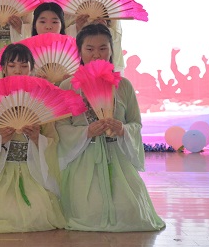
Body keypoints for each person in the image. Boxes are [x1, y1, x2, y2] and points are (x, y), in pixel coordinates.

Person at [56, 24, 165, 232]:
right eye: (89, 49)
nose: (96, 54)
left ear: (111, 50)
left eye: (103, 48)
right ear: (79, 52)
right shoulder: (68, 86)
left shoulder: (123, 85)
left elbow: (135, 123)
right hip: (84, 160)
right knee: (90, 213)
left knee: (131, 213)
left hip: (118, 159)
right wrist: (87, 132)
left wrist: (122, 129)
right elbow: (61, 125)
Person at [0, 43, 65, 233]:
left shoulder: (41, 98)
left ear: (32, 69)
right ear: (3, 68)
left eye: (24, 66)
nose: (18, 70)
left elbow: (53, 139)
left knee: (39, 211)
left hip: (32, 169)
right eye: (12, 65)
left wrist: (37, 139)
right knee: (1, 213)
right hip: (2, 170)